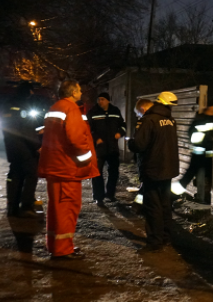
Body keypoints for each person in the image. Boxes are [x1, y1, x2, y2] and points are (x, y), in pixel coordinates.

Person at [38, 80, 99, 260]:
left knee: (56, 209)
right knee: (67, 209)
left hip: (55, 167)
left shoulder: (55, 108)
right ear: (73, 92)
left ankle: (55, 245)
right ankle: (63, 249)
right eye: (79, 90)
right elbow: (76, 139)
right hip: (67, 169)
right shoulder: (71, 109)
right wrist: (86, 160)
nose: (81, 92)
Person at [127, 92, 179, 252]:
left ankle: (154, 242)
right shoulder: (170, 120)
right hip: (168, 169)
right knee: (165, 205)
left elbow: (139, 145)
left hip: (153, 169)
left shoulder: (148, 120)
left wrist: (131, 143)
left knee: (153, 206)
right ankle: (165, 238)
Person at [1, 82, 45, 218]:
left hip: (11, 146)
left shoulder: (8, 104)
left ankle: (12, 206)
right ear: (27, 92)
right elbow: (25, 129)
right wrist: (38, 145)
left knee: (15, 175)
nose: (32, 94)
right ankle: (26, 205)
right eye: (31, 91)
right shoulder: (23, 105)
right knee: (32, 173)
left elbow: (13, 127)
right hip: (25, 148)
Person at [87, 92, 126, 205]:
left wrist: (120, 133)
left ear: (108, 100)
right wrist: (96, 138)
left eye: (102, 99)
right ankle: (99, 197)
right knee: (97, 173)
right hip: (99, 148)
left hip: (112, 148)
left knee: (114, 172)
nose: (100, 101)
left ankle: (110, 194)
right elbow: (88, 128)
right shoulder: (93, 112)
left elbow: (123, 124)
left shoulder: (115, 111)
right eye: (99, 99)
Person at [176, 105, 213, 204]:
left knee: (208, 178)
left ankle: (205, 198)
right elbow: (193, 136)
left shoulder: (212, 119)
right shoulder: (201, 119)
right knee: (189, 175)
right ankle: (172, 195)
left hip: (208, 155)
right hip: (199, 155)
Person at [131, 98, 154, 207]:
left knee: (146, 185)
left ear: (142, 109)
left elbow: (139, 144)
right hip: (160, 164)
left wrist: (131, 143)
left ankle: (139, 206)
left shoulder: (145, 122)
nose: (137, 116)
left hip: (148, 162)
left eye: (137, 113)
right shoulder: (164, 120)